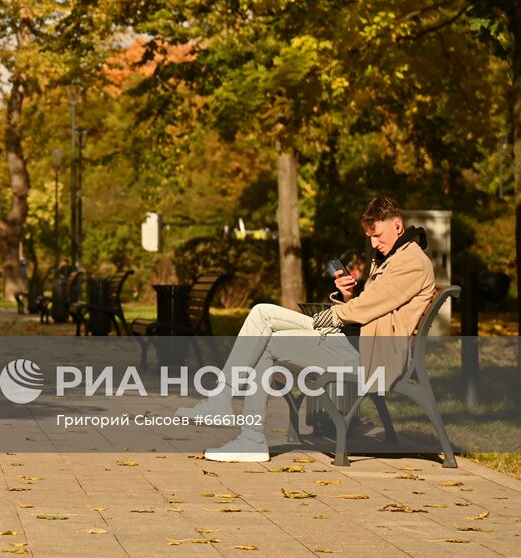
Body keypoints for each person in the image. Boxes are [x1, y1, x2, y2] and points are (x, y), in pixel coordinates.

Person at [182, 196, 435, 462]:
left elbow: (368, 308)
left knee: (267, 341)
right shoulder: (394, 256)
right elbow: (369, 308)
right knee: (261, 313)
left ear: (397, 225)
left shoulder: (411, 262)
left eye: (377, 235)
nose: (374, 243)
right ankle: (224, 400)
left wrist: (333, 315)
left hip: (370, 356)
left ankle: (250, 437)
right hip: (353, 340)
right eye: (370, 237)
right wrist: (348, 297)